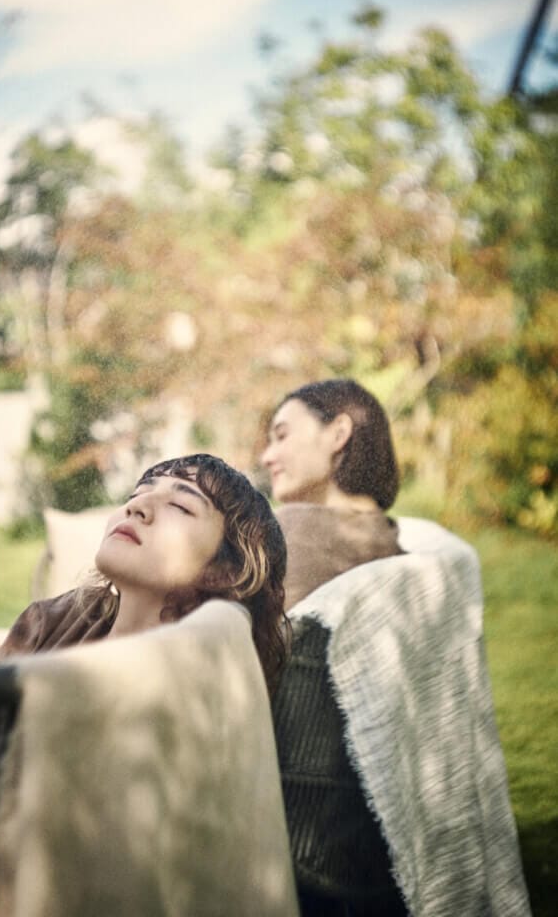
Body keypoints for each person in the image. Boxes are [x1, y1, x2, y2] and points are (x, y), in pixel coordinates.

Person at [261, 379, 409, 916]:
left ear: (338, 433)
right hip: (354, 825)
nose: (266, 454)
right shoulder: (389, 539)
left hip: (285, 824)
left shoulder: (290, 532)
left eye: (281, 435)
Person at [0, 453, 290, 696]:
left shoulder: (212, 688)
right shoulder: (51, 621)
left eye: (181, 506)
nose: (138, 506)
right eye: (136, 494)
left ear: (226, 571)